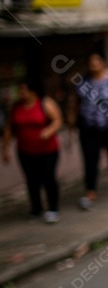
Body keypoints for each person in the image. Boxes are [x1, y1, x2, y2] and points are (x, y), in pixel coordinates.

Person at [72, 52, 108, 209]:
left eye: (96, 61)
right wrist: (73, 120)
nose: (93, 65)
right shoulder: (83, 81)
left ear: (103, 62)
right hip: (89, 127)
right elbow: (76, 101)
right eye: (91, 62)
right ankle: (90, 192)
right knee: (90, 160)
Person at [2, 81, 63, 223]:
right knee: (32, 180)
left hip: (47, 150)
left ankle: (53, 208)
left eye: (23, 90)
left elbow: (58, 120)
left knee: (48, 178)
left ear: (33, 91)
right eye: (20, 90)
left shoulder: (45, 103)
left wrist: (48, 131)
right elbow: (9, 128)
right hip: (25, 151)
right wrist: (5, 148)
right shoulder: (16, 106)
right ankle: (36, 208)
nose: (21, 93)